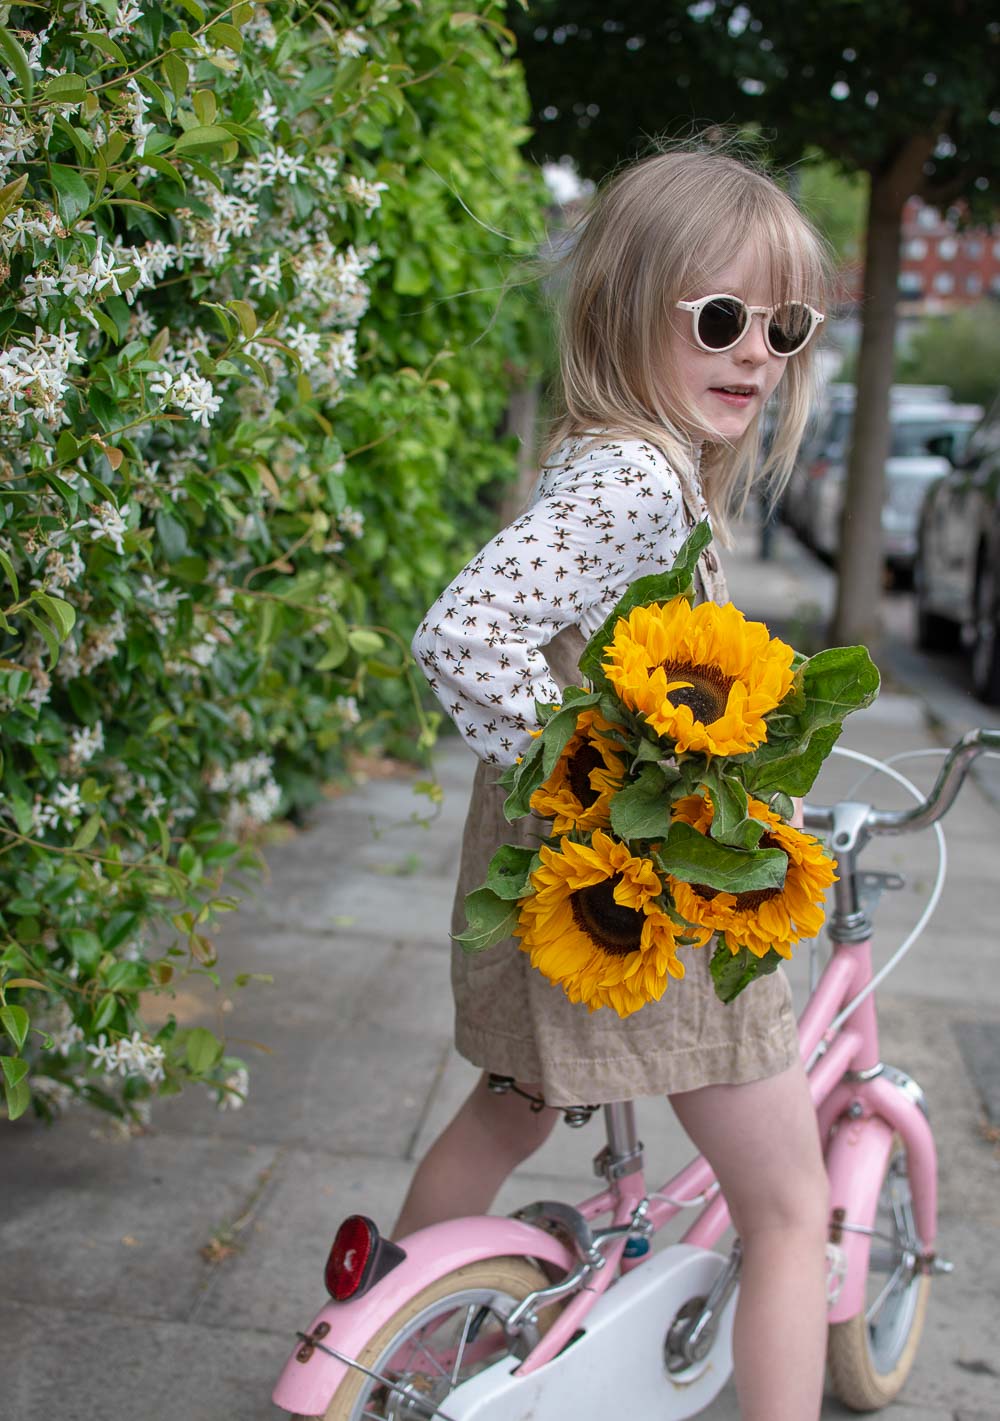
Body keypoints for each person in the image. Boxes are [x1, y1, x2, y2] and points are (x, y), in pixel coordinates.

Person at [400, 144, 832, 1421]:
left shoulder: (614, 455)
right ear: (625, 307)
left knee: (510, 1111)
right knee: (792, 1204)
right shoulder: (639, 476)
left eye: (782, 326)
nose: (755, 353)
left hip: (556, 892)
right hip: (636, 892)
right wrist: (596, 785)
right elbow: (461, 633)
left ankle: (388, 1361)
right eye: (717, 317)